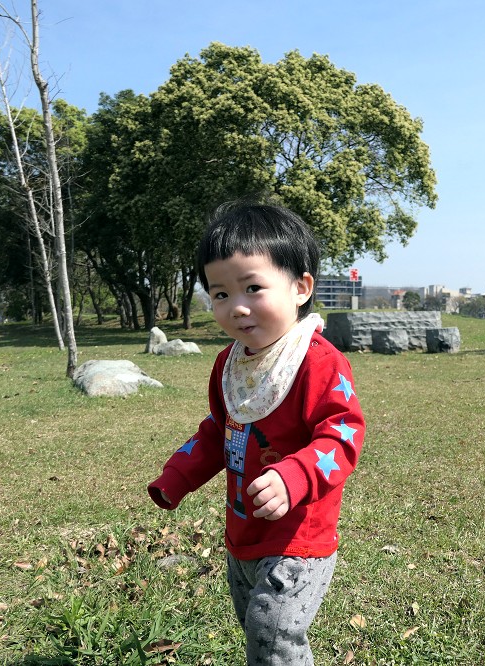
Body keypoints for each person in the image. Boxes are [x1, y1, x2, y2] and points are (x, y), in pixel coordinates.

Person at [148, 200, 365, 665]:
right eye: (220, 294)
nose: (237, 307)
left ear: (301, 287)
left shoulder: (317, 361)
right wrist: (177, 475)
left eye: (253, 287)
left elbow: (342, 432)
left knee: (272, 634)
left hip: (298, 536)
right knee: (254, 627)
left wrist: (295, 476)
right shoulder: (229, 364)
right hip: (243, 529)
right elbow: (218, 430)